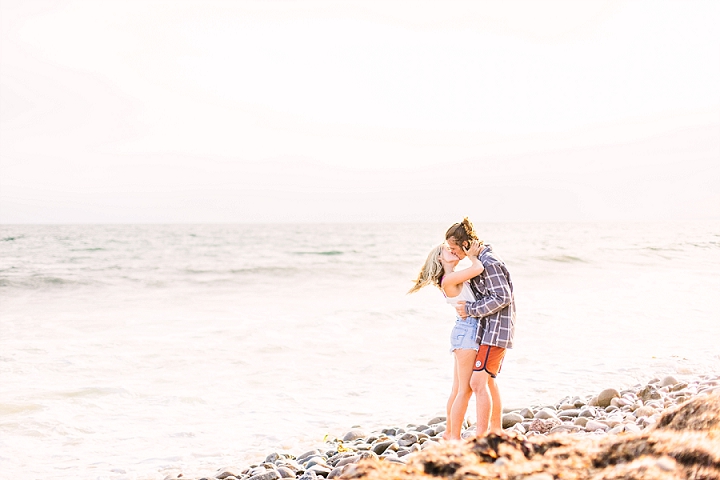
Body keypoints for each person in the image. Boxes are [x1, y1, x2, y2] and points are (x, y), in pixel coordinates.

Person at [408, 230, 484, 440]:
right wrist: (472, 255)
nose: (451, 250)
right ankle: (454, 437)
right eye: (447, 250)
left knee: (458, 388)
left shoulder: (449, 278)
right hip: (467, 332)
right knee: (465, 391)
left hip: (463, 330)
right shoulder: (449, 278)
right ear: (440, 258)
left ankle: (450, 432)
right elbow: (478, 268)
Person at [445, 217, 516, 438]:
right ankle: (495, 429)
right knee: (487, 382)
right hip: (489, 330)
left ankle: (481, 436)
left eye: (455, 248)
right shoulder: (481, 260)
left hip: (495, 332)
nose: (454, 252)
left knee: (477, 383)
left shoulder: (490, 262)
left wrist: (471, 309)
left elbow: (502, 297)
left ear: (466, 243)